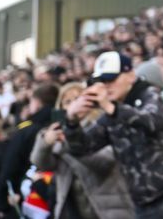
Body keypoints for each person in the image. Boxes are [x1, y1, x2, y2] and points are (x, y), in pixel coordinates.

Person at [63, 51, 163, 219]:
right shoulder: (109, 115)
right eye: (102, 82)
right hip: (144, 202)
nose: (106, 86)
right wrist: (71, 122)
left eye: (111, 80)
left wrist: (112, 108)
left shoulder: (149, 94)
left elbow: (152, 121)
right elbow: (81, 147)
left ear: (130, 75)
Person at [30, 82, 134, 219]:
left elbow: (105, 162)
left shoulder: (103, 124)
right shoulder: (58, 130)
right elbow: (41, 163)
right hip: (73, 209)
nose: (74, 105)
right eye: (67, 102)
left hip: (109, 207)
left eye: (78, 99)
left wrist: (69, 142)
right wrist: (45, 143)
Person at [0, 83, 58, 217]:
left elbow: (11, 165)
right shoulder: (61, 126)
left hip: (27, 197)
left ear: (36, 102)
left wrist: (2, 203)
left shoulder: (28, 129)